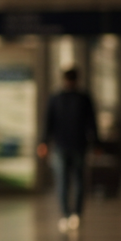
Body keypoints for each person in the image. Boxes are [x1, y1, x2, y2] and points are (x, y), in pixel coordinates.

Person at [37, 67, 98, 232]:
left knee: (66, 181)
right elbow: (92, 123)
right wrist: (96, 143)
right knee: (74, 181)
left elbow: (48, 122)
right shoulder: (82, 98)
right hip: (74, 145)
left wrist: (44, 142)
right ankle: (72, 214)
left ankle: (68, 214)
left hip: (64, 146)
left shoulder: (57, 98)